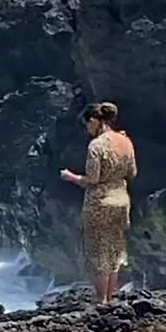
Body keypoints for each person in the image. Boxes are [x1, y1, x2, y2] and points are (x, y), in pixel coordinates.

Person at [59, 101, 139, 306]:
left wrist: (71, 177)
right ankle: (111, 299)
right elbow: (132, 173)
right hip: (121, 199)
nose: (88, 130)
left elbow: (92, 179)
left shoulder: (96, 145)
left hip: (100, 202)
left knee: (98, 251)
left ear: (94, 121)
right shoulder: (125, 141)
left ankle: (101, 300)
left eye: (88, 125)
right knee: (115, 249)